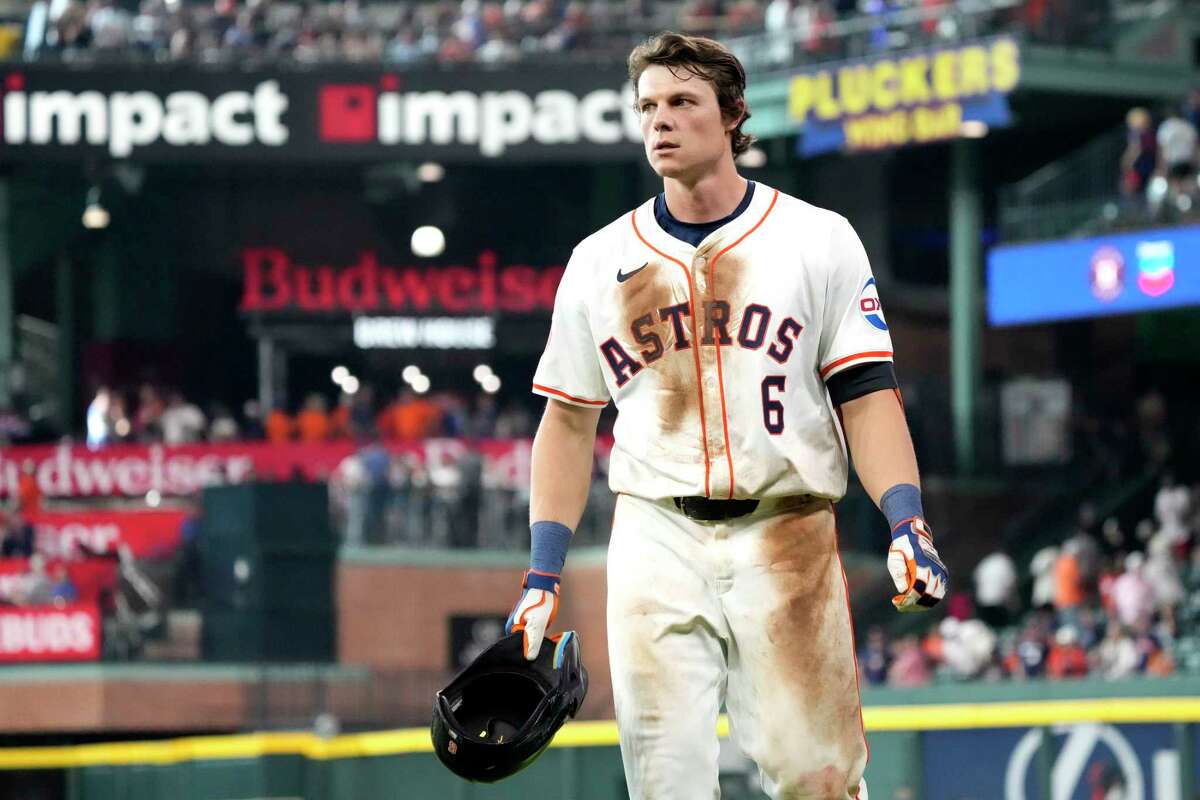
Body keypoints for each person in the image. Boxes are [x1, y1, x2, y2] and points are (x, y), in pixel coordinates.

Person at [502, 32, 948, 800]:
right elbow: (568, 424)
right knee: (664, 781)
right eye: (648, 106)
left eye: (682, 102)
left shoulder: (817, 239)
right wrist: (542, 572)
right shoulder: (597, 261)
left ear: (733, 114)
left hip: (789, 528)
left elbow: (868, 394)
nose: (660, 122)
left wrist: (906, 519)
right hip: (655, 534)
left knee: (820, 780)